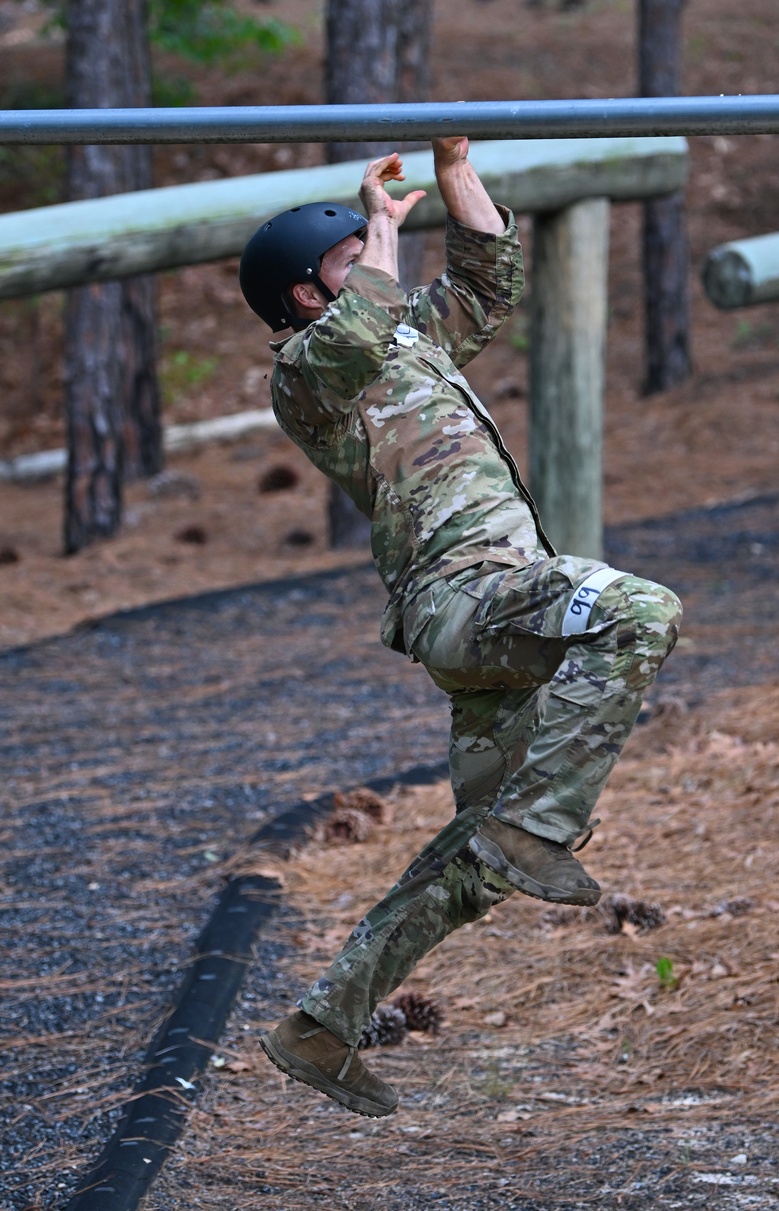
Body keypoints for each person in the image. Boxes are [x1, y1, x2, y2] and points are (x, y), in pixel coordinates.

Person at [239, 137, 682, 1119]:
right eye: (351, 256)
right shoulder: (311, 374)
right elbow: (362, 325)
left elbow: (485, 277)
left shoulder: (405, 341)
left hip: (495, 598)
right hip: (463, 597)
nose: (376, 258)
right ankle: (540, 824)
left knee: (477, 860)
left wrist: (452, 170)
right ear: (305, 297)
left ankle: (321, 1020)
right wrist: (382, 233)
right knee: (640, 609)